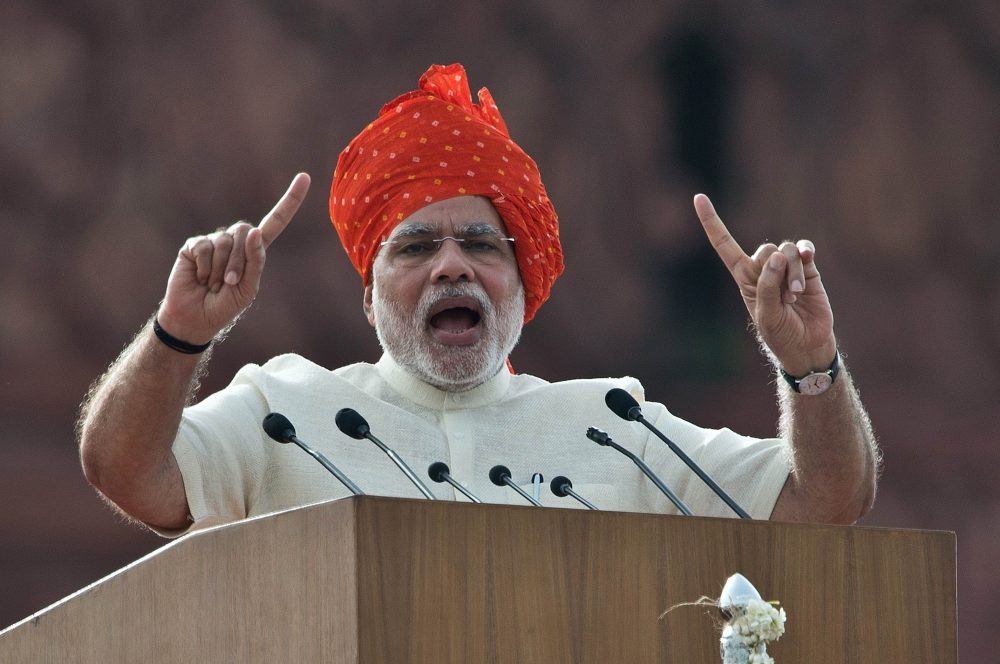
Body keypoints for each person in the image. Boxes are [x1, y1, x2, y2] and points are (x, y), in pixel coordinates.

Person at [78, 63, 879, 536]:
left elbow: (825, 500)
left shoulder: (614, 425)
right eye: (417, 247)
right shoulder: (282, 410)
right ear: (370, 295)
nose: (451, 266)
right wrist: (178, 336)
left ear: (523, 285)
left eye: (482, 245)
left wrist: (810, 367)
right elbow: (124, 470)